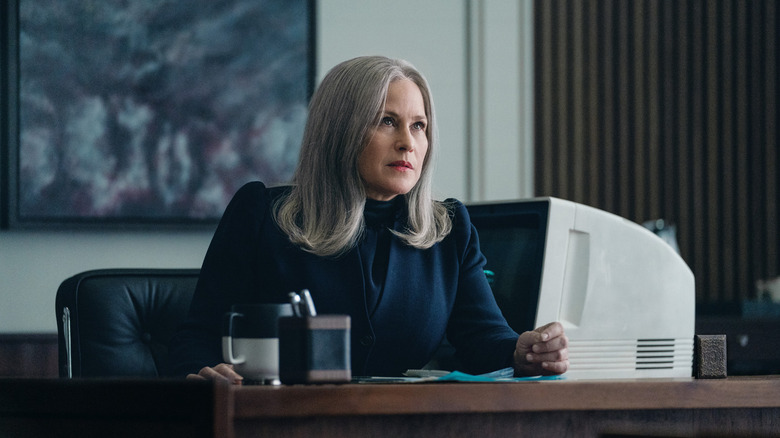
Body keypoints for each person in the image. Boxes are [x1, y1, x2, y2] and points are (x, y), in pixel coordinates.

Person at [168, 56, 568, 384]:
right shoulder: (262, 214)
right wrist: (201, 374)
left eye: (419, 126)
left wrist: (523, 350)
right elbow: (197, 339)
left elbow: (484, 337)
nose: (408, 143)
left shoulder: (449, 229)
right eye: (386, 121)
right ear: (340, 131)